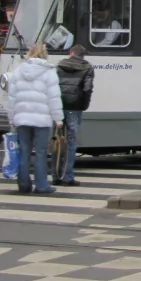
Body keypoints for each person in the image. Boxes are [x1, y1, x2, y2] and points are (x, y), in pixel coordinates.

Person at [6, 44, 64, 195]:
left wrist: (11, 118)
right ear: (45, 55)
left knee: (24, 152)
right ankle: (41, 186)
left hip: (22, 119)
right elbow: (54, 98)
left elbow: (11, 97)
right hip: (42, 120)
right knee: (40, 152)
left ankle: (24, 185)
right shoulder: (49, 72)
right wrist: (58, 119)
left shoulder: (19, 70)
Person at [55, 45, 95, 187]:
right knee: (71, 143)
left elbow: (54, 86)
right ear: (83, 55)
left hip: (59, 107)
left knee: (58, 141)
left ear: (71, 53)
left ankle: (56, 175)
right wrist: (83, 106)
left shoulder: (60, 65)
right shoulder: (87, 68)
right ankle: (68, 176)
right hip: (75, 108)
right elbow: (87, 89)